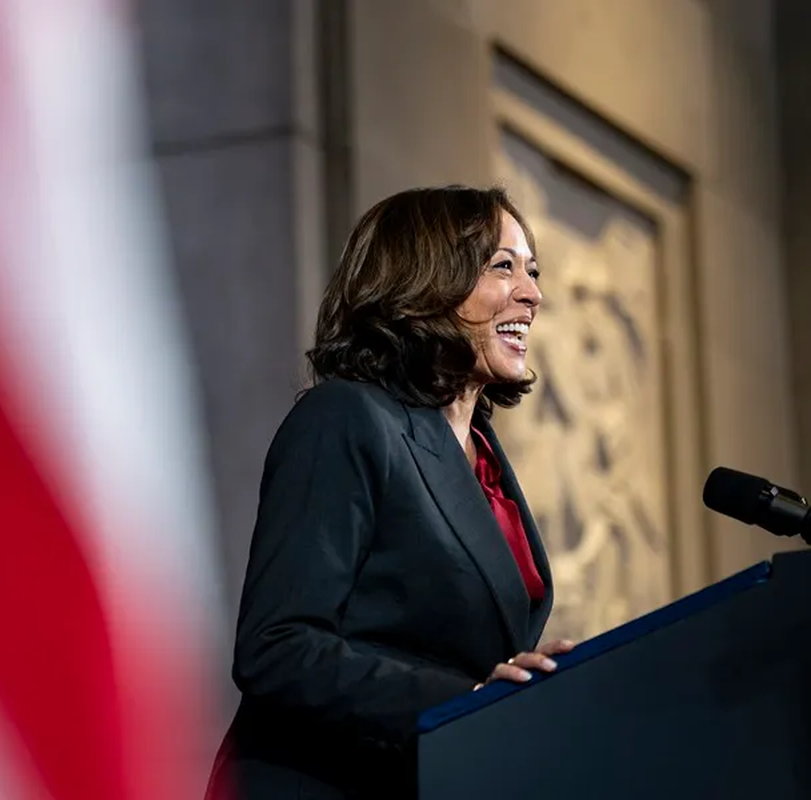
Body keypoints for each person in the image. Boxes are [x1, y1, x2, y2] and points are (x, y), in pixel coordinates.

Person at [205, 186, 574, 799]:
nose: (532, 294)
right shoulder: (345, 417)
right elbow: (277, 646)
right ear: (427, 279)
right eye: (503, 267)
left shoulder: (484, 460)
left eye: (532, 271)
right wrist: (467, 701)